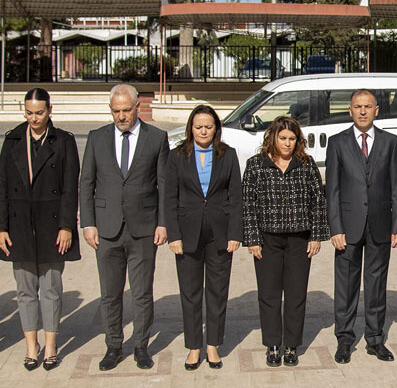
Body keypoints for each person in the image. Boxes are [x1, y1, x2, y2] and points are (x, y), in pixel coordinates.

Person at [80, 84, 169, 371]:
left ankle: (141, 346)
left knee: (142, 292)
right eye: (116, 111)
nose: (121, 116)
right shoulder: (96, 138)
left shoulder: (156, 138)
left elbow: (164, 185)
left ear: (137, 106)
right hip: (106, 229)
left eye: (126, 110)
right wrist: (88, 223)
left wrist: (163, 223)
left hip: (143, 228)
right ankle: (113, 346)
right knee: (110, 293)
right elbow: (87, 184)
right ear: (111, 110)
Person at [0, 88, 80, 371]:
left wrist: (67, 226)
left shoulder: (64, 141)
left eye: (40, 113)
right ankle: (30, 346)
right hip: (19, 225)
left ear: (50, 110)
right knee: (24, 290)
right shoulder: (12, 140)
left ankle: (50, 345)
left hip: (52, 226)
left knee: (51, 289)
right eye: (29, 113)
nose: (34, 119)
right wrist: (2, 227)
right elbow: (2, 187)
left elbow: (71, 188)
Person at [242, 115, 328, 367]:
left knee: (295, 294)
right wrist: (252, 239)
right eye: (283, 138)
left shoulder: (306, 163)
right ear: (273, 138)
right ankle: (272, 344)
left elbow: (318, 201)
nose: (287, 143)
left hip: (299, 239)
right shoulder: (256, 165)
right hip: (267, 240)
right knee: (268, 294)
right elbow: (248, 203)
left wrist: (316, 236)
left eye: (292, 138)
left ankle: (291, 345)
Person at [326, 89, 397, 364]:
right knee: (345, 287)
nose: (362, 111)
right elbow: (332, 190)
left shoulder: (390, 141)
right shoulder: (337, 143)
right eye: (357, 106)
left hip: (381, 226)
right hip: (347, 227)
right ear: (350, 110)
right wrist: (335, 228)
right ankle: (344, 339)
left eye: (367, 106)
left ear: (376, 110)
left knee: (376, 286)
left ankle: (375, 339)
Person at [164, 105, 243, 370]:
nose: (203, 131)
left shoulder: (227, 155)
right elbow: (169, 197)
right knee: (190, 292)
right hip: (187, 234)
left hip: (220, 235)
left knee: (218, 293)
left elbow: (236, 196)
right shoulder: (177, 156)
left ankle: (213, 345)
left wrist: (235, 233)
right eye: (198, 127)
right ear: (190, 128)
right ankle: (194, 347)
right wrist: (173, 235)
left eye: (208, 126)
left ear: (216, 129)